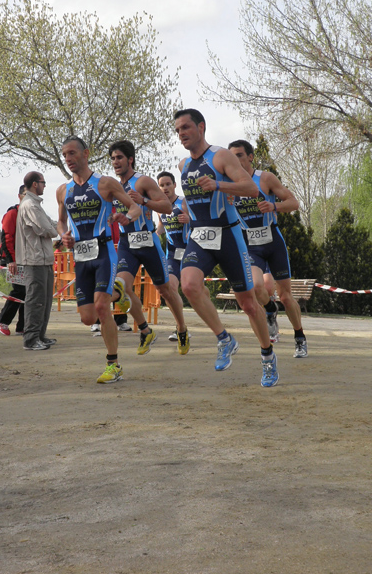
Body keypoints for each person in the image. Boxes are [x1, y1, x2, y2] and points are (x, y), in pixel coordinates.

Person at [173, 108, 280, 387]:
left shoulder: (221, 156)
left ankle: (268, 356)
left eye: (186, 127)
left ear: (201, 127)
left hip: (229, 235)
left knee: (248, 304)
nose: (181, 133)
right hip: (200, 235)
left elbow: (251, 189)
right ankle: (224, 339)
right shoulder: (183, 165)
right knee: (189, 286)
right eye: (178, 130)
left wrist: (219, 185)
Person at [56, 135, 141, 383]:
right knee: (88, 318)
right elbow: (61, 222)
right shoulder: (63, 190)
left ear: (86, 154)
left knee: (102, 307)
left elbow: (134, 207)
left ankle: (113, 365)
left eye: (72, 153)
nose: (68, 159)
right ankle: (119, 292)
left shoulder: (105, 184)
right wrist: (64, 236)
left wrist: (127, 218)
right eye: (65, 155)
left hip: (103, 252)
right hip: (81, 257)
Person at [108, 141, 190, 356]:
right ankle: (145, 330)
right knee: (122, 287)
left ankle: (181, 328)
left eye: (119, 157)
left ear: (130, 159)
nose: (115, 162)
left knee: (165, 290)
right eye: (113, 158)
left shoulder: (143, 181)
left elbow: (167, 207)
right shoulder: (113, 186)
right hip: (127, 244)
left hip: (148, 243)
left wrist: (144, 200)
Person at [229, 140, 308, 357]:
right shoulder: (229, 185)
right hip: (250, 246)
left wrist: (274, 206)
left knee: (286, 297)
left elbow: (293, 203)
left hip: (273, 242)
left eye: (239, 155)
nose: (235, 160)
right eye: (231, 157)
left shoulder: (265, 178)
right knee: (256, 287)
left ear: (250, 157)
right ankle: (270, 310)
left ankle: (299, 337)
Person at [15, 171, 60, 350]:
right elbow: (46, 229)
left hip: (44, 259)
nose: (44, 185)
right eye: (43, 182)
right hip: (34, 260)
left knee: (45, 300)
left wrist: (57, 227)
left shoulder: (35, 204)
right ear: (35, 184)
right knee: (36, 300)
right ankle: (31, 339)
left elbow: (51, 224)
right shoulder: (29, 205)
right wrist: (56, 230)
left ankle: (40, 335)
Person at [155, 171, 193, 343]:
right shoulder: (159, 207)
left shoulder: (183, 202)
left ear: (174, 185)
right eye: (161, 185)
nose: (165, 188)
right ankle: (180, 327)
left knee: (193, 288)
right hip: (172, 253)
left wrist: (189, 220)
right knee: (169, 288)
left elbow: (199, 220)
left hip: (190, 250)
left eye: (168, 184)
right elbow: (161, 226)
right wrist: (154, 235)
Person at [0, 186, 27, 336]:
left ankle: (22, 326)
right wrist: (11, 260)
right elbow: (6, 238)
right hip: (13, 258)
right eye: (26, 194)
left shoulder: (30, 213)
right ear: (19, 196)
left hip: (26, 258)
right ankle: (3, 319)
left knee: (28, 292)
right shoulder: (12, 214)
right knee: (20, 291)